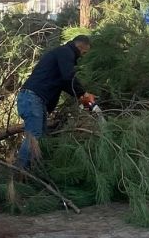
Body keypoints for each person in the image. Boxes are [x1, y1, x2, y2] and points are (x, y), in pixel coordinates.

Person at [16, 35, 96, 169]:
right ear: (79, 47)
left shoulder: (62, 55)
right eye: (84, 52)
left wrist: (81, 96)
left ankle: (32, 173)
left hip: (36, 100)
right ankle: (19, 174)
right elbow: (68, 77)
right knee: (34, 137)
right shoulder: (66, 52)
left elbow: (65, 83)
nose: (82, 56)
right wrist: (84, 93)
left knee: (40, 139)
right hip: (32, 98)